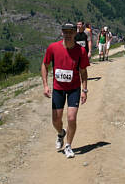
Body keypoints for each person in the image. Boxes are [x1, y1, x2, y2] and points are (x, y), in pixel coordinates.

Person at [41, 23, 89, 159]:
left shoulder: (81, 51)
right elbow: (45, 65)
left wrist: (84, 90)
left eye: (71, 32)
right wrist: (45, 85)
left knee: (71, 118)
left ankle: (68, 145)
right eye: (65, 32)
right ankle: (61, 133)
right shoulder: (53, 48)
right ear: (62, 33)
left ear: (75, 34)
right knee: (56, 120)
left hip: (74, 88)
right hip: (58, 88)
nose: (68, 35)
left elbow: (83, 72)